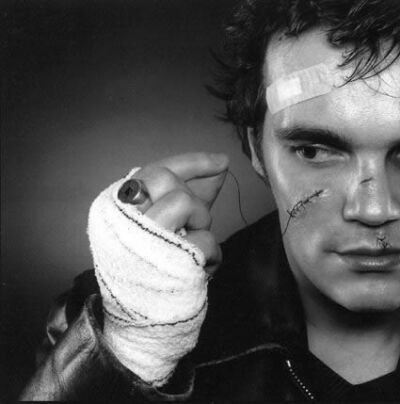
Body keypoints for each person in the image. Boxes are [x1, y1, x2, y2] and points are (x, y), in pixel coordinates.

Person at [20, 0, 400, 401]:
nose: (373, 209)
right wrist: (129, 352)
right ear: (256, 149)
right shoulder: (120, 320)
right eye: (313, 151)